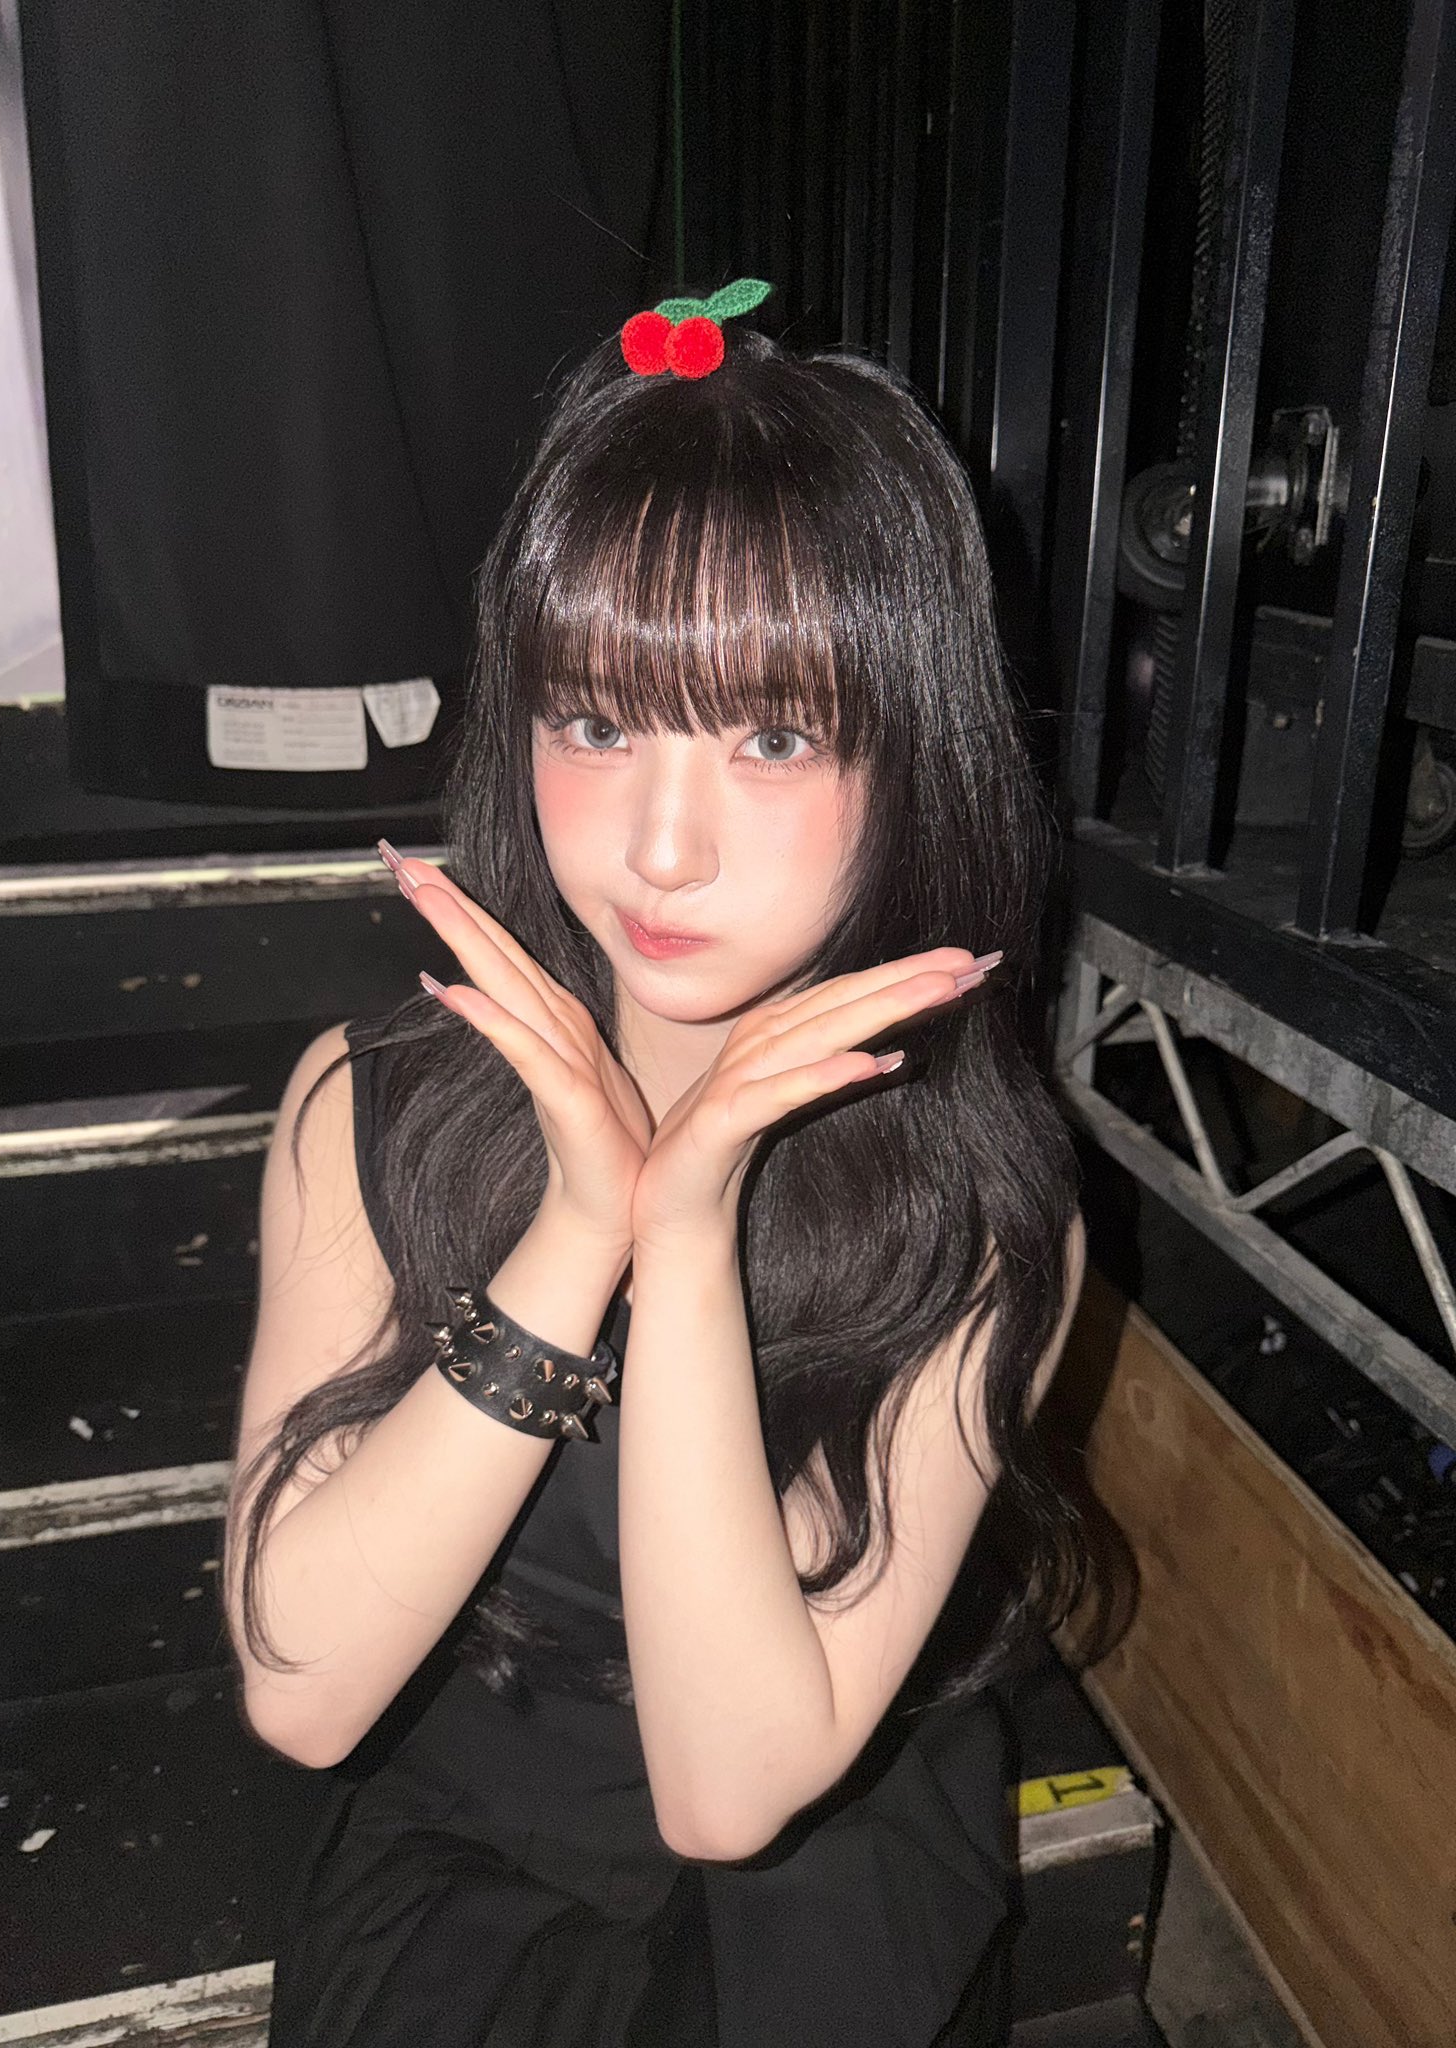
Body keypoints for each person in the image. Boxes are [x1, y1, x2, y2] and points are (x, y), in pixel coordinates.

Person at [223, 285, 1090, 2048]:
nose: (662, 846)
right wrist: (577, 1224)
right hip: (472, 1834)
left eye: (771, 737)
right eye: (598, 723)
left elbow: (730, 1791)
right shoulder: (372, 1108)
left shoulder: (979, 1207)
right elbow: (301, 1695)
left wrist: (685, 1240)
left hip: (822, 1848)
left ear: (911, 755)